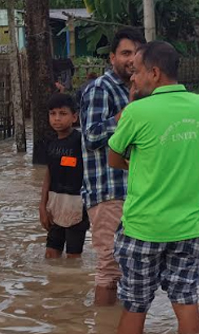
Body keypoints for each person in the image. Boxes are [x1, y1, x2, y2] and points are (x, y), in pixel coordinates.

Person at [108, 41, 199, 334]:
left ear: (154, 73)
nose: (133, 78)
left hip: (144, 227)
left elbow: (114, 158)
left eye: (137, 71)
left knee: (135, 304)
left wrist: (138, 163)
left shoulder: (137, 112)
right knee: (186, 301)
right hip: (190, 227)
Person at [81, 27, 145, 306]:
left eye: (136, 53)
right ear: (112, 58)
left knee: (128, 266)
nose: (131, 59)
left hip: (134, 190)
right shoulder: (100, 88)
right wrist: (126, 113)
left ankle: (115, 321)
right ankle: (103, 323)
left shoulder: (140, 90)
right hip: (107, 190)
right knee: (108, 267)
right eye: (125, 53)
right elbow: (92, 136)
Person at [40, 93, 90, 259]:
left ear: (74, 117)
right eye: (52, 114)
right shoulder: (49, 141)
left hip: (77, 204)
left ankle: (72, 285)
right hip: (55, 204)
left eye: (63, 114)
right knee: (51, 255)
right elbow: (48, 173)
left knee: (73, 258)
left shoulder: (81, 141)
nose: (57, 119)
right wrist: (42, 206)